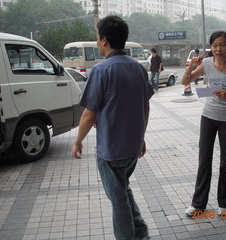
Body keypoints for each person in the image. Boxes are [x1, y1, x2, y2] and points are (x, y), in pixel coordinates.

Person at [71, 16, 154, 240]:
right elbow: (145, 107)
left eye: (97, 38)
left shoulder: (101, 70)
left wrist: (78, 141)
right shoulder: (138, 69)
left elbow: (89, 115)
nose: (97, 42)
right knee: (122, 190)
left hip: (111, 151)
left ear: (105, 40)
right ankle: (141, 231)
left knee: (118, 200)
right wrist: (141, 137)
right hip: (132, 149)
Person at [181, 31, 226, 216]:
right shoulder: (205, 63)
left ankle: (224, 203)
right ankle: (198, 204)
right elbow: (184, 81)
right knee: (204, 161)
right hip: (208, 117)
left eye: (222, 45)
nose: (218, 49)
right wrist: (191, 67)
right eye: (214, 45)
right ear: (210, 47)